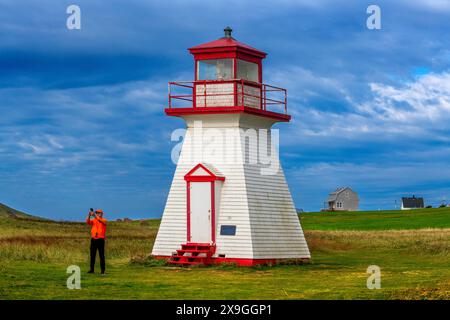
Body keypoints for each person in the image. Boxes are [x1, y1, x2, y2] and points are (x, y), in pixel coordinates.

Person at [86, 208, 107, 274]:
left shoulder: (104, 220)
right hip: (93, 239)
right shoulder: (94, 220)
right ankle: (92, 270)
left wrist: (95, 216)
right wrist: (89, 215)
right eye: (97, 213)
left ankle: (102, 271)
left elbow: (101, 222)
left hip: (100, 239)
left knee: (101, 255)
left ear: (102, 214)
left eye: (99, 213)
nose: (98, 214)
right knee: (92, 255)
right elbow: (88, 222)